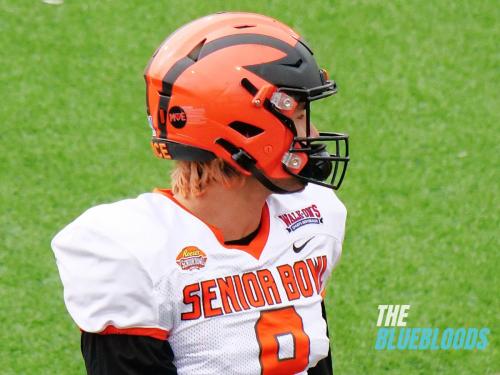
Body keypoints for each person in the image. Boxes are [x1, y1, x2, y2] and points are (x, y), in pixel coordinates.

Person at [52, 12, 349, 375]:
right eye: (299, 113)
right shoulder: (133, 253)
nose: (314, 134)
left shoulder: (312, 218)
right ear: (246, 131)